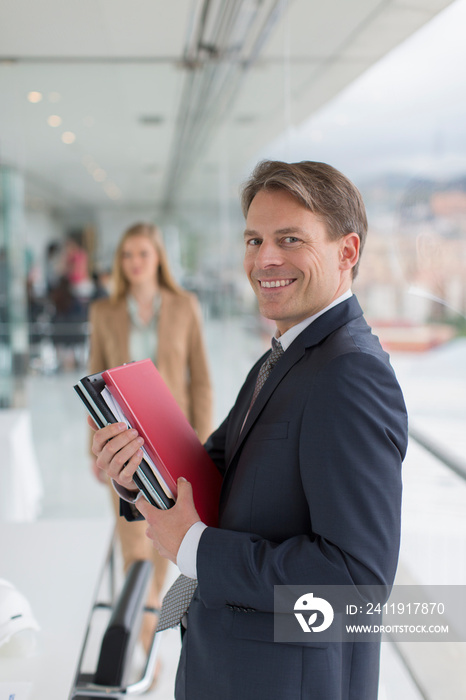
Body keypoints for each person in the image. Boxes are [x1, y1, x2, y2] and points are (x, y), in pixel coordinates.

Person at [89, 162, 408, 700]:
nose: (264, 260)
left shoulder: (349, 373)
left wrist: (195, 547)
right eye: (254, 239)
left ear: (346, 252)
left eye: (290, 239)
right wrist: (135, 472)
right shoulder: (282, 356)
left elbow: (356, 588)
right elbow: (215, 471)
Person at [88, 222, 213, 654]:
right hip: (122, 444)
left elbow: (201, 381)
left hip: (173, 441)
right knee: (133, 535)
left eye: (142, 254)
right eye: (127, 256)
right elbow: (95, 382)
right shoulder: (104, 312)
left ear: (158, 258)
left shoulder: (184, 306)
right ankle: (143, 639)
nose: (134, 263)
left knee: (170, 534)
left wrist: (202, 441)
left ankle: (153, 626)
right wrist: (97, 449)